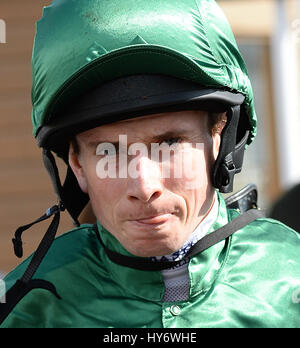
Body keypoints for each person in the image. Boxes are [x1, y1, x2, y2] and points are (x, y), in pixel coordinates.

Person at [0, 0, 299, 328]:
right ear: (77, 166)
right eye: (110, 152)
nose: (144, 187)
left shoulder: (289, 283)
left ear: (219, 138)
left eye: (170, 143)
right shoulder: (26, 310)